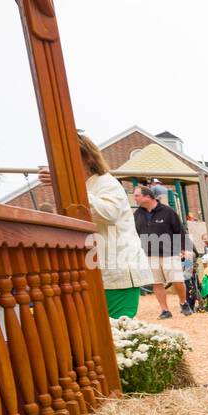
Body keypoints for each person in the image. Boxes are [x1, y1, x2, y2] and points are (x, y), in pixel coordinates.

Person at [40, 134, 153, 320]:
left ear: (87, 157)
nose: (63, 164)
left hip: (117, 272)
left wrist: (67, 184)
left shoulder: (106, 183)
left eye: (68, 158)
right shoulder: (86, 185)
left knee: (118, 333)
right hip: (97, 271)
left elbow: (108, 213)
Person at [133, 185, 193, 319]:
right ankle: (165, 310)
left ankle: (183, 303)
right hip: (149, 254)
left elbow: (180, 230)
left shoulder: (167, 211)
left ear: (147, 197)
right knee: (157, 282)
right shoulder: (137, 214)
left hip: (170, 252)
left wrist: (186, 249)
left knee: (177, 280)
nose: (134, 198)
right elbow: (134, 234)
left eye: (137, 195)